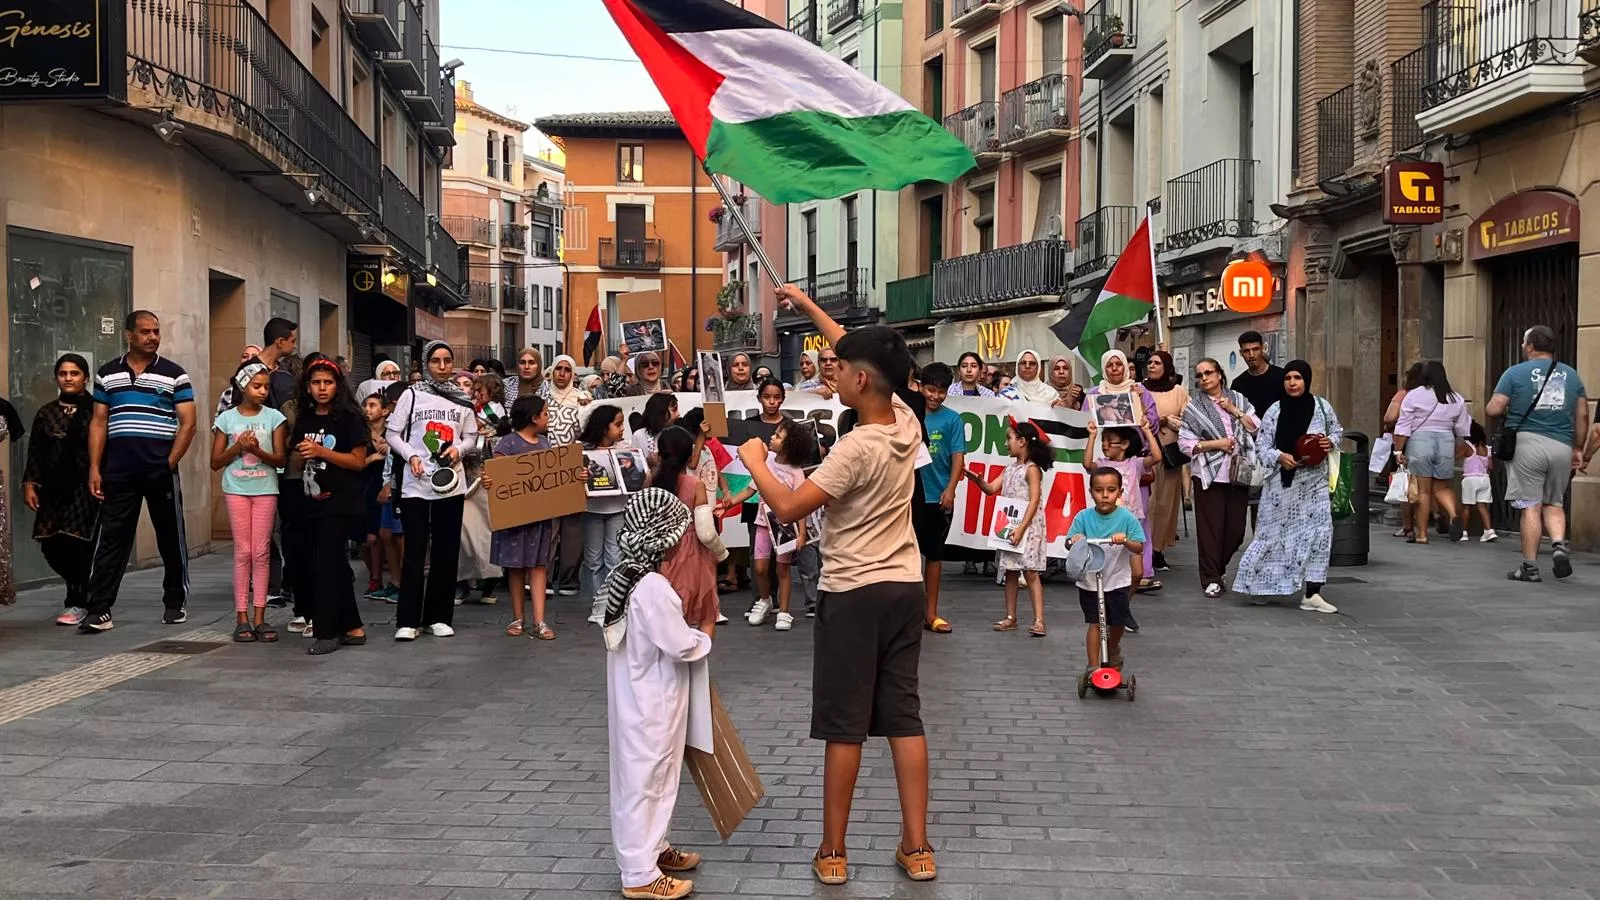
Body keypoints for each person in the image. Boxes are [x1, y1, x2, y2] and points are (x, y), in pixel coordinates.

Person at [738, 284, 933, 887]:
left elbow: (792, 507)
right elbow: (861, 349)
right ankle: (917, 848)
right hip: (904, 585)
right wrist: (805, 303)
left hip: (852, 591)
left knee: (844, 724)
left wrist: (752, 461)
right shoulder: (905, 422)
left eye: (843, 370)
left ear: (863, 384)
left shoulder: (854, 446)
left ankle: (832, 851)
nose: (835, 371)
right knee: (904, 718)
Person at [599, 488, 713, 900]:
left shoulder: (625, 576)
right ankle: (639, 873)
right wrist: (705, 637)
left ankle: (654, 848)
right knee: (646, 781)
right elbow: (679, 643)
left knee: (649, 777)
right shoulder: (653, 588)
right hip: (653, 702)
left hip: (637, 698)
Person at [81, 311, 197, 632]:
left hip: (160, 469)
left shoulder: (176, 375)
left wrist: (168, 463)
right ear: (128, 335)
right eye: (145, 331)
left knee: (170, 537)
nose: (153, 337)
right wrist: (95, 467)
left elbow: (188, 424)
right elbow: (99, 422)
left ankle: (175, 602)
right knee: (112, 539)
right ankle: (99, 609)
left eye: (156, 331)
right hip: (118, 471)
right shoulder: (107, 374)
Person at [1232, 361, 1343, 613]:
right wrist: (1280, 457)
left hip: (1314, 484)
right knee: (1274, 537)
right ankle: (1260, 585)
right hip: (1281, 488)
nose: (1292, 383)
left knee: (1320, 534)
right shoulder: (1274, 410)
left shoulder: (1322, 408)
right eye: (1288, 378)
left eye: (1298, 378)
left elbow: (1337, 432)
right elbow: (1262, 446)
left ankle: (1313, 592)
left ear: (1307, 380)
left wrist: (1329, 442)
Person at [387, 340, 479, 641]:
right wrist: (410, 455)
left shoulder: (462, 398)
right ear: (425, 364)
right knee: (414, 550)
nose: (442, 366)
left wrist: (459, 451)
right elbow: (392, 434)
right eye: (436, 361)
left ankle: (438, 616)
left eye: (447, 360)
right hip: (416, 483)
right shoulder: (412, 395)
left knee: (446, 549)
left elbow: (471, 437)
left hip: (449, 483)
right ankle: (408, 619)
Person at [1487, 325, 1588, 582]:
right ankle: (1557, 544)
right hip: (1562, 446)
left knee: (1530, 506)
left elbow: (1493, 409)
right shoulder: (1571, 375)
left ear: (1530, 346)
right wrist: (1578, 448)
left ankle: (1529, 567)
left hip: (1528, 444)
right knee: (1554, 502)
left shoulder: (1514, 373)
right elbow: (1583, 415)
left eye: (1524, 343)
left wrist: (1508, 405)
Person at [288, 358, 371, 654]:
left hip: (341, 500)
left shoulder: (349, 417)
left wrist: (322, 450)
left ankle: (326, 632)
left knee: (326, 565)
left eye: (328, 382)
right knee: (331, 564)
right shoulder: (307, 418)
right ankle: (353, 626)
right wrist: (299, 454)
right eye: (316, 383)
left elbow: (358, 461)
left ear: (338, 385)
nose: (322, 388)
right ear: (307, 387)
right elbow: (295, 460)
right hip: (312, 499)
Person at [211, 364, 288, 642]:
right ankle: (241, 617)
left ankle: (261, 617)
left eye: (266, 386)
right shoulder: (227, 419)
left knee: (261, 552)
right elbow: (215, 462)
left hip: (266, 489)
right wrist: (238, 447)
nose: (263, 391)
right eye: (257, 386)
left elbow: (280, 459)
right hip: (236, 490)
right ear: (243, 386)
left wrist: (256, 449)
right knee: (243, 552)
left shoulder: (275, 418)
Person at [22, 355, 100, 622]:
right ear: (57, 377)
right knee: (50, 544)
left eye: (75, 373)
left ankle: (76, 602)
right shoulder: (46, 412)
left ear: (85, 378)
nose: (68, 378)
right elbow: (36, 452)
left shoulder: (96, 410)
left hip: (85, 486)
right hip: (53, 488)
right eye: (63, 373)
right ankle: (86, 589)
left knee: (76, 542)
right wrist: (30, 484)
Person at [1178, 358, 1259, 598]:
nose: (1204, 378)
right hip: (1208, 474)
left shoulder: (1239, 399)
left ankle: (1219, 568)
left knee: (1236, 531)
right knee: (1210, 529)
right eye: (1200, 375)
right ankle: (1211, 578)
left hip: (1238, 473)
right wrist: (1216, 444)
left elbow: (1256, 427)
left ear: (1220, 375)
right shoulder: (1194, 408)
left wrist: (1233, 410)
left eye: (1209, 372)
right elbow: (1185, 442)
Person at [963, 422, 1050, 637]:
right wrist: (978, 480)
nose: (1006, 443)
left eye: (1009, 438)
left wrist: (1021, 528)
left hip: (1027, 526)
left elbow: (1034, 500)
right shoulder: (1009, 468)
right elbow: (992, 488)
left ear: (1022, 442)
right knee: (1010, 571)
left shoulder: (1031, 470)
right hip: (1009, 524)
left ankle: (1039, 619)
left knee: (1030, 572)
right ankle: (1011, 616)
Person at [1088, 349, 1162, 591]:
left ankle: (1143, 571)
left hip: (1134, 463)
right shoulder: (1095, 394)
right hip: (1106, 465)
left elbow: (1153, 421)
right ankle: (1109, 571)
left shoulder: (1140, 391)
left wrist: (1139, 402)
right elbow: (1082, 424)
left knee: (1138, 518)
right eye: (1110, 366)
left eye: (1119, 365)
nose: (1115, 369)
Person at [726, 419, 810, 630]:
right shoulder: (766, 463)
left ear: (789, 445)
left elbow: (799, 504)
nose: (772, 437)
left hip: (785, 528)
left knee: (783, 569)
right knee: (760, 567)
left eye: (778, 436)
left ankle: (784, 611)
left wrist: (801, 533)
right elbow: (750, 490)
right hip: (763, 523)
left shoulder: (796, 472)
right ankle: (765, 600)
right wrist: (729, 503)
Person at [1065, 468, 1146, 674]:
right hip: (1091, 581)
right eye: (1099, 490)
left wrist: (1126, 540)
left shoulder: (1127, 518)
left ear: (1119, 492)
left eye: (1111, 490)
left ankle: (1112, 647)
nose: (1105, 495)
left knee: (1117, 622)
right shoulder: (1083, 517)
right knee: (1095, 622)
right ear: (1091, 492)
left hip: (1117, 580)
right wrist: (1075, 540)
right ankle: (1093, 666)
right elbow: (1068, 542)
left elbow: (1139, 546)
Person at [489, 396, 557, 640]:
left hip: (539, 517)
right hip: (515, 518)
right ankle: (518, 617)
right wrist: (491, 480)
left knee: (539, 566)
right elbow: (499, 477)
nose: (549, 418)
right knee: (516, 568)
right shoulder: (507, 444)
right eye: (546, 414)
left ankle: (540, 621)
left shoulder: (545, 444)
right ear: (534, 418)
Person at [650, 425, 728, 635]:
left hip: (658, 552)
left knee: (668, 615)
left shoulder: (650, 481)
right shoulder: (695, 485)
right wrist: (722, 553)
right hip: (691, 553)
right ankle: (697, 664)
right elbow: (706, 531)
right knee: (706, 615)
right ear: (688, 455)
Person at [1393, 360, 1473, 544]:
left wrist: (1398, 451)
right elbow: (1463, 428)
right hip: (1446, 441)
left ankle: (1422, 534)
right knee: (1442, 487)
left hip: (1421, 441)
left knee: (1424, 491)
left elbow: (1404, 425)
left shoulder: (1414, 396)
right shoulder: (1456, 398)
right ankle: (1453, 515)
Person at [914, 363, 965, 634]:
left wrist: (951, 489)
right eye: (930, 390)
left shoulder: (952, 419)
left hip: (939, 497)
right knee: (907, 557)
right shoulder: (909, 414)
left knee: (934, 557)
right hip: (909, 496)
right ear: (920, 387)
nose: (935, 396)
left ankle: (931, 613)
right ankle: (910, 613)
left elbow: (958, 456)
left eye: (941, 392)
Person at [457, 372, 506, 604]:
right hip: (463, 474)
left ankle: (489, 581)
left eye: (477, 388)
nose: (475, 392)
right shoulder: (464, 409)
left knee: (486, 530)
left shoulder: (492, 411)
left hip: (484, 473)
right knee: (464, 531)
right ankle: (463, 581)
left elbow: (496, 432)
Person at [546, 354, 591, 598]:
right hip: (545, 469)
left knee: (572, 527)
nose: (562, 373)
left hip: (573, 467)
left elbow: (588, 432)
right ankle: (543, 576)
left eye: (566, 369)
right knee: (549, 526)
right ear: (552, 371)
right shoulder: (542, 398)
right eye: (558, 369)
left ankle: (569, 580)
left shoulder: (583, 399)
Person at [582, 404, 631, 622]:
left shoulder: (626, 448)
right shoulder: (583, 450)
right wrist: (580, 476)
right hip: (591, 509)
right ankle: (597, 605)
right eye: (618, 424)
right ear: (604, 427)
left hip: (618, 509)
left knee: (614, 557)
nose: (622, 429)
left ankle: (613, 605)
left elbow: (638, 476)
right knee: (593, 560)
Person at [1142, 350, 1189, 571]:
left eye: (1157, 362)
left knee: (1165, 503)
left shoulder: (1178, 392)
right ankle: (1144, 547)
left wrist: (1168, 420)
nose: (1152, 366)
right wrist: (1151, 421)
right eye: (1149, 362)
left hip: (1170, 452)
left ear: (1167, 367)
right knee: (1147, 502)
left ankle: (1158, 549)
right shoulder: (1138, 389)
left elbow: (1189, 421)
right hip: (1146, 453)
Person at [1383, 362, 1427, 539]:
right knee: (1426, 486)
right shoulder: (1432, 396)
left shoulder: (1404, 395)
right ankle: (1434, 516)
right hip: (1426, 442)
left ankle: (1408, 526)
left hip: (1405, 442)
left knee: (1406, 484)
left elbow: (1390, 417)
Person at [1229, 330, 1286, 419]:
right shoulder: (1238, 384)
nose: (1251, 355)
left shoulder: (1282, 376)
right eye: (1247, 351)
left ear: (1262, 348)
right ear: (1241, 353)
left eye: (1255, 349)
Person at [1460, 420, 1497, 543]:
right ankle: (1489, 530)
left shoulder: (1467, 446)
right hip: (1485, 479)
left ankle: (1464, 532)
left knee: (1466, 506)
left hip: (1470, 479)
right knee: (1482, 506)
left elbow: (1454, 457)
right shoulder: (1487, 449)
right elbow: (1491, 466)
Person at [631, 392, 678, 462]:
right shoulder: (639, 435)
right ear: (661, 412)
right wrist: (647, 461)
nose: (678, 414)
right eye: (674, 410)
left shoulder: (677, 433)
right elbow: (636, 467)